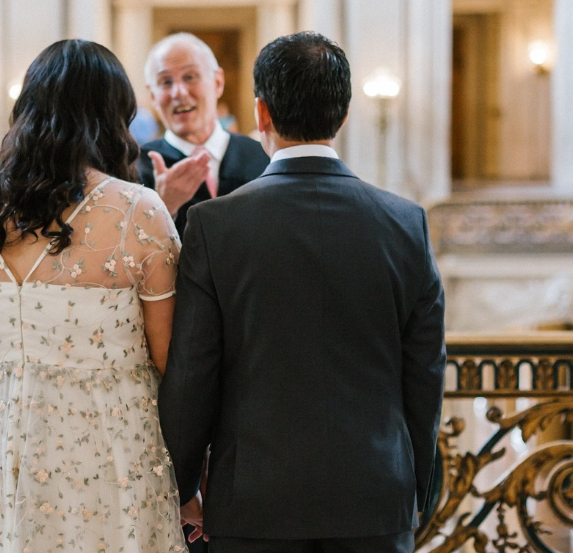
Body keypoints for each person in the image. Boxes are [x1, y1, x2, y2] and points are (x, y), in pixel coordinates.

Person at [158, 31, 446, 553]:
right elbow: (425, 373)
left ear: (261, 113)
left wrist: (182, 488)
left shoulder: (213, 226)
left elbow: (192, 373)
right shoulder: (407, 224)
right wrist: (416, 489)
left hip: (254, 500)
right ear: (346, 112)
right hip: (377, 496)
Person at [0, 39, 187, 553]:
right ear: (113, 117)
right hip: (107, 446)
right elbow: (169, 362)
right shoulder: (138, 211)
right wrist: (191, 480)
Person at [139, 33, 269, 238]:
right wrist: (163, 207)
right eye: (165, 82)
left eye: (190, 77)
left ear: (218, 82)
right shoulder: (136, 168)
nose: (179, 92)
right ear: (153, 96)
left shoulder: (263, 158)